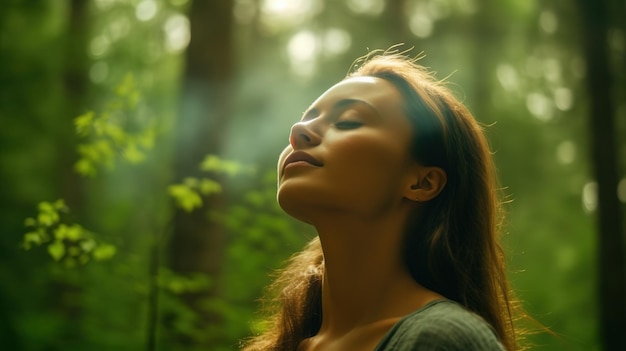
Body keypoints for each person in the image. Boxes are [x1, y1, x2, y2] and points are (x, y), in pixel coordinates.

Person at [242, 50, 526, 351]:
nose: (298, 131)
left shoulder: (442, 339)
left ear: (422, 182)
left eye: (348, 121)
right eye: (306, 119)